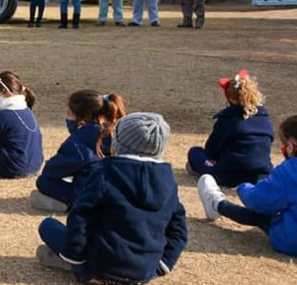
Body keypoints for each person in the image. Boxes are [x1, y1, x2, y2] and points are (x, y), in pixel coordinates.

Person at [36, 113, 187, 284]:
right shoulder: (168, 181)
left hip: (100, 265)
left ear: (117, 142)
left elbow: (81, 217)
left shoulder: (104, 173)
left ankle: (77, 267)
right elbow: (179, 230)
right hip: (144, 271)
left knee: (47, 226)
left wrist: (75, 257)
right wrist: (162, 264)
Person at [198, 114, 297, 259]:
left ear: (291, 146)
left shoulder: (290, 170)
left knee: (262, 217)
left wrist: (243, 187)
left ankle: (217, 204)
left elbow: (258, 202)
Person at [31, 91, 127, 213]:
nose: (67, 118)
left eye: (69, 113)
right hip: (119, 192)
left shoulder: (79, 141)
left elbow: (52, 170)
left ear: (82, 117)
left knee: (44, 181)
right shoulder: (116, 131)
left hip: (92, 194)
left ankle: (70, 203)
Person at [186, 70, 274, 187]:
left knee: (195, 152)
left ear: (230, 99)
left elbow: (212, 149)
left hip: (229, 175)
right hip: (260, 174)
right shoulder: (264, 118)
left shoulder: (227, 120)